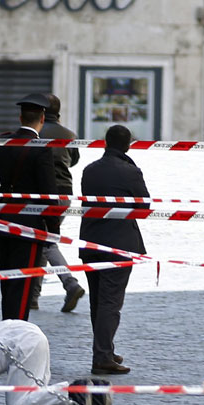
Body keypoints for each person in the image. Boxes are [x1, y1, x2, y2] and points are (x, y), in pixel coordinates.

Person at [0, 93, 58, 321]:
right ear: (42, 118)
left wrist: (0, 195)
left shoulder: (4, 142)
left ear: (20, 117)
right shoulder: (41, 149)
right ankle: (16, 331)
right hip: (29, 226)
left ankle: (7, 325)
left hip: (5, 219)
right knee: (23, 285)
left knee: (8, 281)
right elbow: (49, 194)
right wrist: (53, 229)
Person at [79, 125, 149, 376]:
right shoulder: (130, 171)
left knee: (97, 301)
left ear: (105, 142)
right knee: (110, 303)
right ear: (127, 144)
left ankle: (104, 349)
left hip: (89, 243)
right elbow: (144, 205)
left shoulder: (89, 170)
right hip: (118, 245)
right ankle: (103, 357)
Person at [28, 93, 85, 313]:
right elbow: (74, 160)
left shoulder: (36, 132)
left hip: (42, 193)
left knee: (45, 242)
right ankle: (33, 297)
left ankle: (70, 283)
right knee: (43, 241)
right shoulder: (68, 133)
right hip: (64, 193)